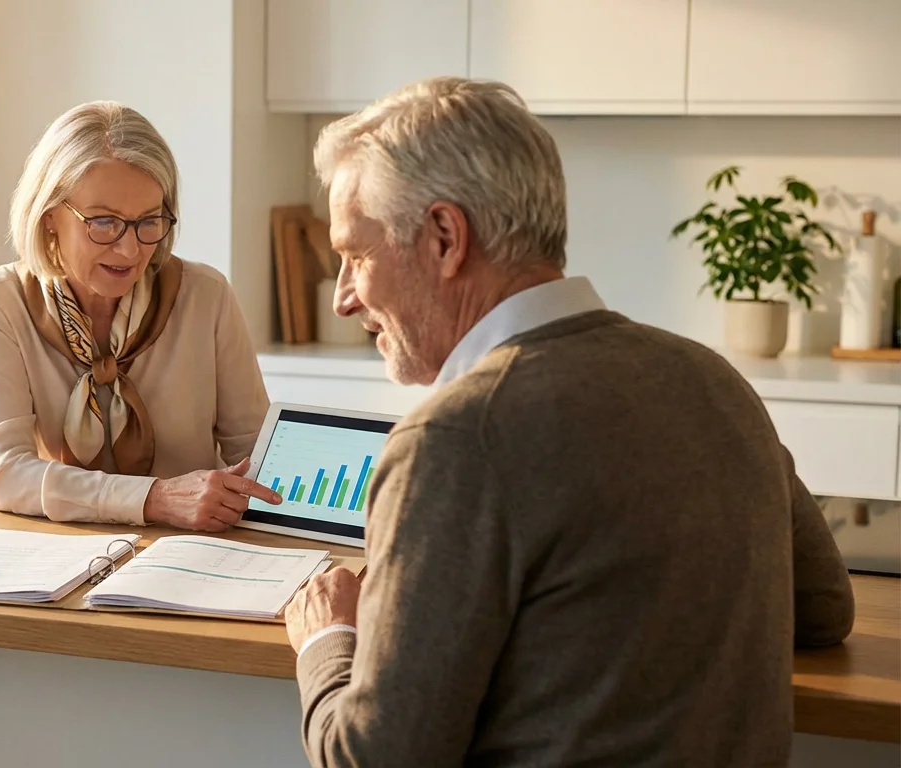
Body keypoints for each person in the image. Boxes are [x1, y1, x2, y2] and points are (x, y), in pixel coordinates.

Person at [283, 76, 855, 767]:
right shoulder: (711, 378)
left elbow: (372, 760)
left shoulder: (459, 437)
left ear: (442, 238)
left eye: (355, 254)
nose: (344, 298)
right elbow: (824, 611)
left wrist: (326, 641)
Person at [0, 101, 280, 530]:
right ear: (50, 216)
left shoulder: (207, 296)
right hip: (60, 553)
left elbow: (258, 457)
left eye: (149, 221)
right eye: (104, 222)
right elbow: (4, 474)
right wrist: (155, 499)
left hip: (193, 552)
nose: (130, 250)